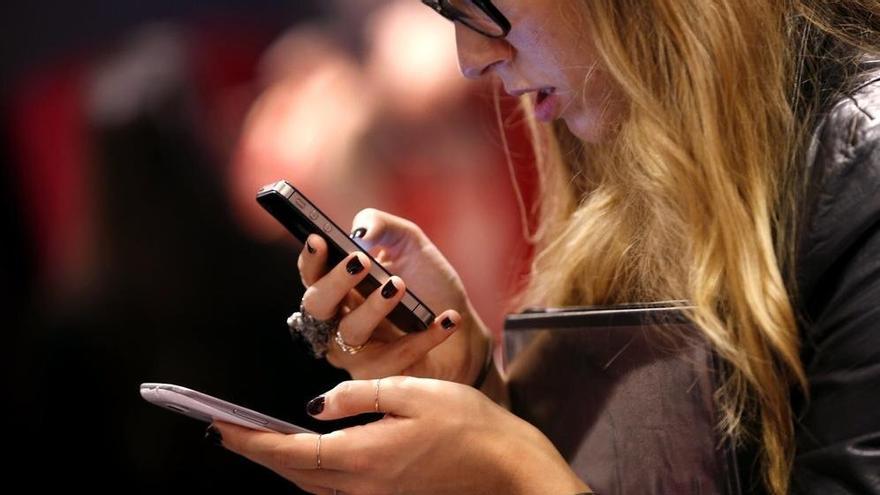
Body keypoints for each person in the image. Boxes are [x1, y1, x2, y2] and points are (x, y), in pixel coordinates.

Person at [208, 1, 880, 494]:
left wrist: (511, 471)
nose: (471, 57)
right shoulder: (621, 147)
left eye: (476, 5)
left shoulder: (863, 165)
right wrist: (473, 381)